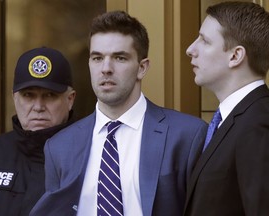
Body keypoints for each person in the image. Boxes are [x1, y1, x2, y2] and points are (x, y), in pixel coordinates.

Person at [30, 11, 207, 216]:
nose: (106, 68)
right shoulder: (59, 147)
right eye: (97, 58)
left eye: (119, 58)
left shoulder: (187, 135)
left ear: (142, 68)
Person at [184, 2, 269, 215]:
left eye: (204, 40)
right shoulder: (237, 119)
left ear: (235, 56)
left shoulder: (258, 124)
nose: (190, 50)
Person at [0, 47, 76, 216]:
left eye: (49, 95)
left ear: (70, 100)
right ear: (14, 98)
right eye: (28, 95)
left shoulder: (92, 158)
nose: (38, 107)